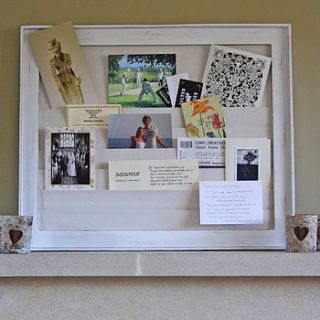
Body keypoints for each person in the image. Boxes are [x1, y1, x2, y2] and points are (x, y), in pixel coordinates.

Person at [48, 38, 84, 105]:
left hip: (72, 81)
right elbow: (54, 77)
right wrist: (61, 88)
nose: (57, 49)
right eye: (53, 48)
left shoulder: (67, 56)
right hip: (64, 85)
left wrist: (76, 79)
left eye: (57, 47)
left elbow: (70, 70)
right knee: (70, 103)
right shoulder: (52, 62)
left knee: (80, 100)